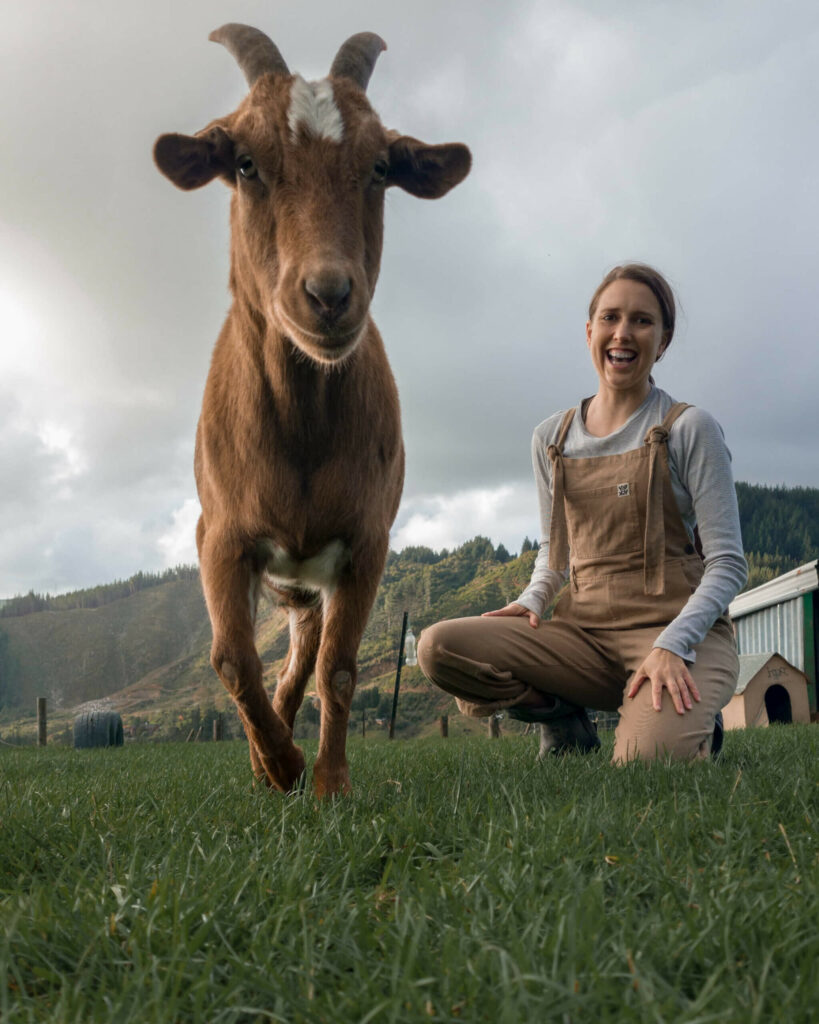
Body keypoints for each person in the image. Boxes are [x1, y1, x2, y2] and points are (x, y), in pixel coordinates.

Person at [417, 263, 747, 762]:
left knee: (643, 764)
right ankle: (562, 718)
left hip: (676, 633)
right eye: (610, 317)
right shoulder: (552, 437)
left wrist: (674, 643)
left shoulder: (688, 428)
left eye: (642, 320)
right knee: (439, 648)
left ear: (664, 340)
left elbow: (728, 563)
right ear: (589, 331)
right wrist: (532, 600)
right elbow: (555, 550)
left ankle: (694, 722)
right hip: (583, 636)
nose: (623, 333)